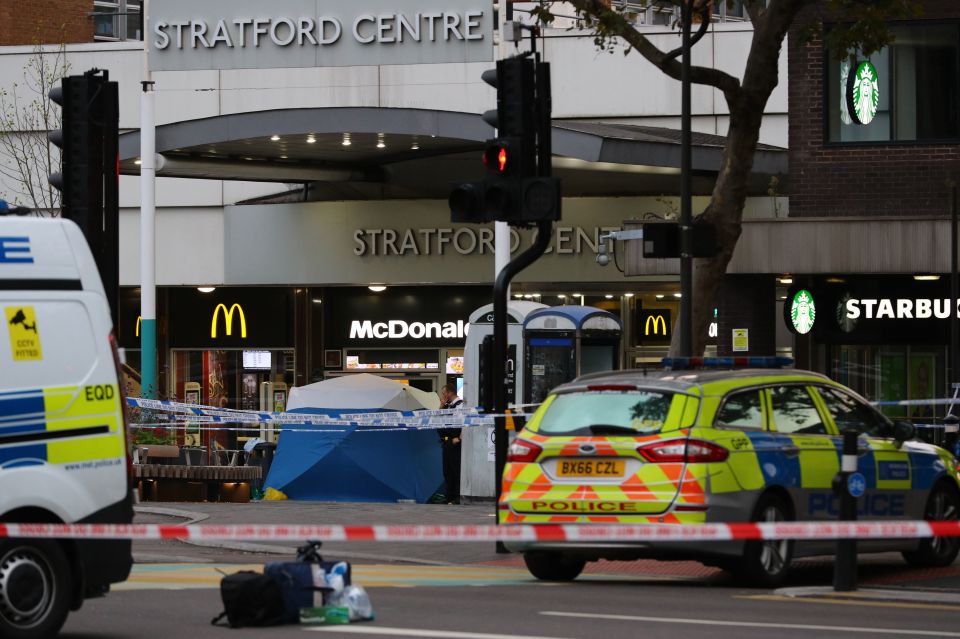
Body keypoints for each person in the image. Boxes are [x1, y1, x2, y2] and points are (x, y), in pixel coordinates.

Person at [438, 383, 464, 504]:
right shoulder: (448, 407)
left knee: (456, 471)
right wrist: (441, 407)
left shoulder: (461, 406)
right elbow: (438, 421)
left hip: (455, 442)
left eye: (444, 393)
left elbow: (465, 423)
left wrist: (459, 438)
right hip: (446, 442)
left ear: (450, 393)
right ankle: (449, 496)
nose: (443, 396)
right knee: (447, 471)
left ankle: (457, 497)